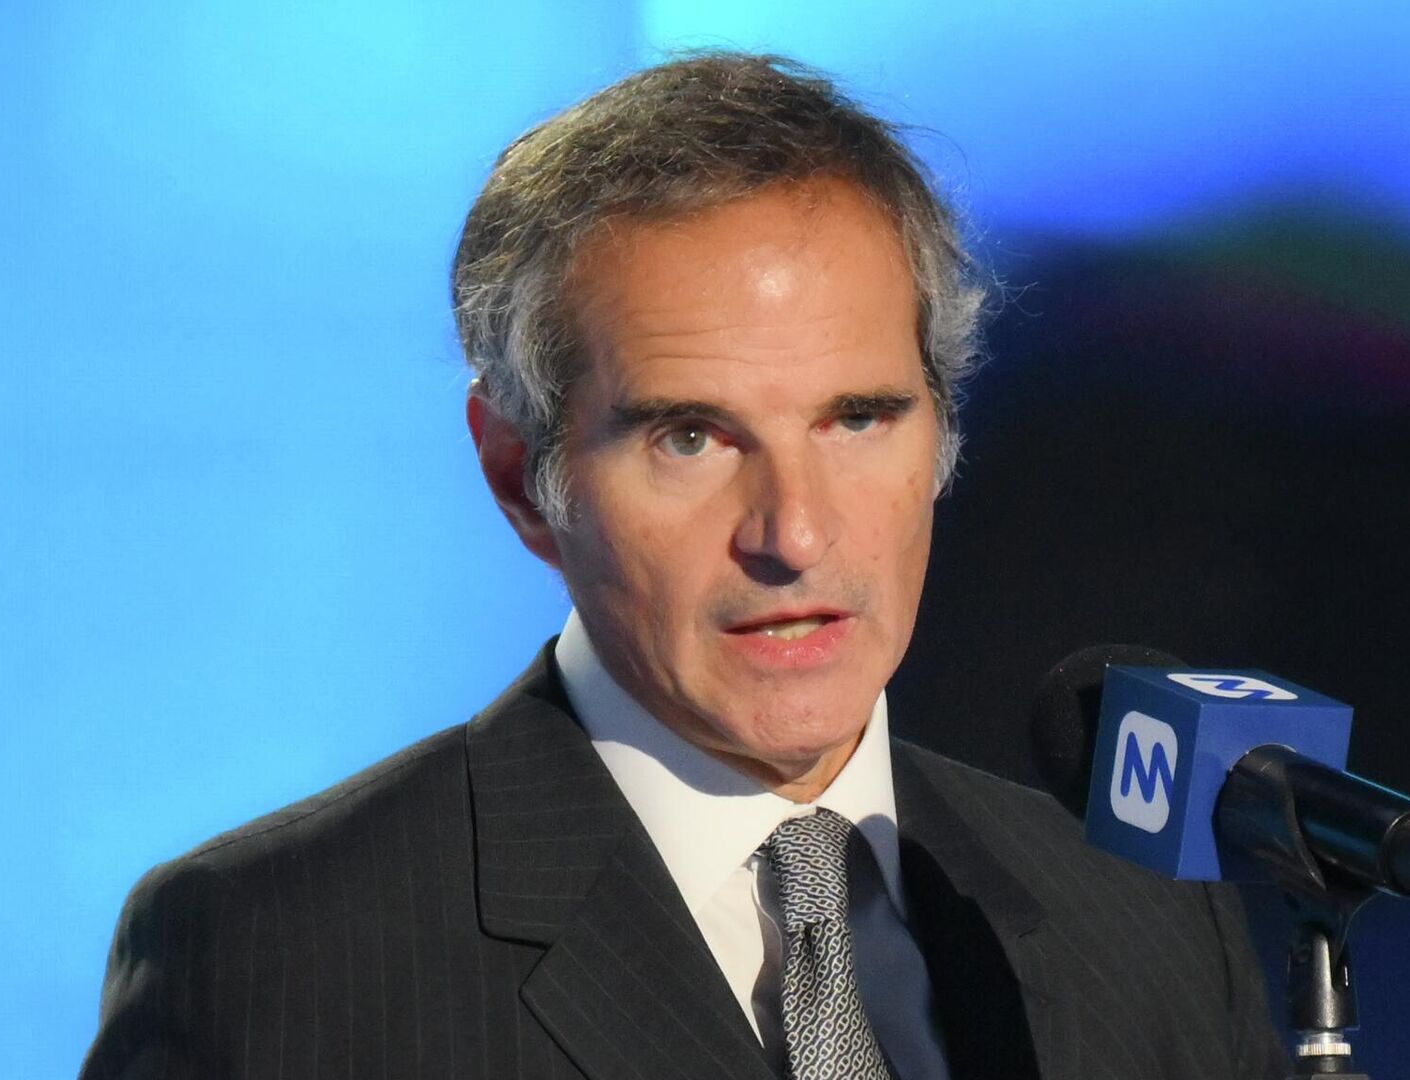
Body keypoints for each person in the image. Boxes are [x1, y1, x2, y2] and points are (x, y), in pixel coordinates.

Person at [80, 52, 1288, 1080]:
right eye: (691, 438)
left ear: (940, 434)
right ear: (520, 475)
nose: (794, 535)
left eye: (857, 418)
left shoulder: (1144, 921)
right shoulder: (282, 960)